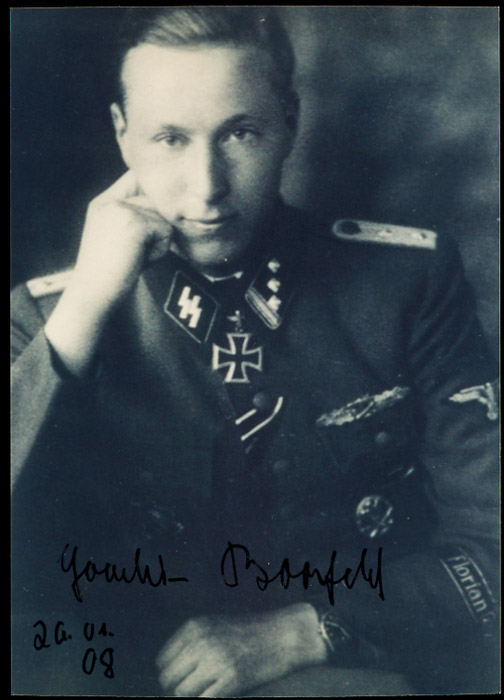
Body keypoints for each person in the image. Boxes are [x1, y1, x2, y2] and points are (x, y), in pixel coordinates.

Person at [11, 7, 499, 697]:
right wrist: (86, 306)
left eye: (240, 133)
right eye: (170, 139)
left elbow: (492, 541)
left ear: (290, 123)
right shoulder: (53, 318)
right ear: (123, 135)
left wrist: (311, 628)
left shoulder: (405, 284)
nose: (207, 185)